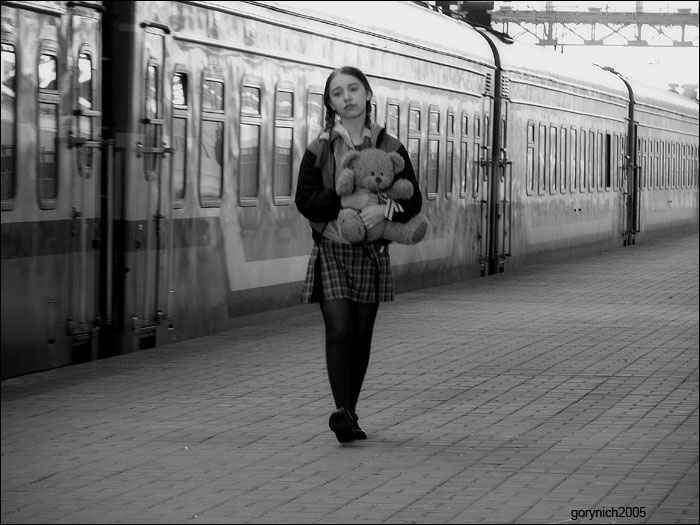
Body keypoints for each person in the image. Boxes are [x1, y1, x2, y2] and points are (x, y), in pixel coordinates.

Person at [295, 66, 423, 444]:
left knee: (362, 335)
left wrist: (385, 210)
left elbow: (413, 200)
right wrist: (342, 200)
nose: (347, 97)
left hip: (372, 251)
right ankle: (341, 411)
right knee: (340, 328)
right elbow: (305, 201)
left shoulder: (391, 146)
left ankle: (349, 412)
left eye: (353, 89)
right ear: (330, 102)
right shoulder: (319, 149)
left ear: (368, 94)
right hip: (332, 247)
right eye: (338, 93)